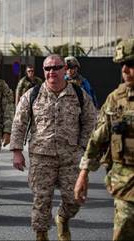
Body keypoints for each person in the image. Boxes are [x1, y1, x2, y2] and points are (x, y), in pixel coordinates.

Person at [9, 54, 96, 241]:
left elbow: (90, 121)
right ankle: (41, 235)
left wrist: (82, 147)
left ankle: (63, 218)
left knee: (74, 199)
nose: (51, 72)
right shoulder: (32, 95)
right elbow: (19, 123)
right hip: (41, 157)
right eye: (47, 68)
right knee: (41, 200)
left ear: (64, 69)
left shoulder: (79, 94)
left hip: (71, 156)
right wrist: (17, 151)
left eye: (56, 68)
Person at [74, 38, 134, 241]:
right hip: (126, 183)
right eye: (122, 64)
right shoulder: (115, 99)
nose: (125, 70)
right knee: (124, 229)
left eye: (131, 64)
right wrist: (83, 174)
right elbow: (98, 139)